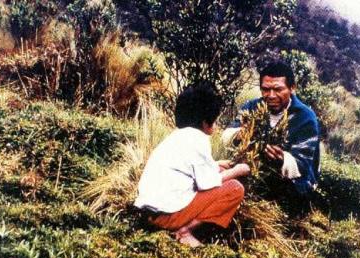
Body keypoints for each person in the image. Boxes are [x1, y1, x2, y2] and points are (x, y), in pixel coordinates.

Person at [134, 83, 250, 247]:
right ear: (205, 122)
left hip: (149, 213)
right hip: (167, 216)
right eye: (215, 120)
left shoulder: (177, 136)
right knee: (235, 188)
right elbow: (206, 184)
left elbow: (189, 169)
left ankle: (178, 229)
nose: (216, 126)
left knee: (221, 179)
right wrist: (237, 171)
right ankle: (184, 231)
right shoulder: (198, 139)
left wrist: (216, 165)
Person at [223, 60, 320, 197]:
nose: (271, 95)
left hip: (293, 184)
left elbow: (303, 165)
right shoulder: (252, 107)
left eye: (278, 89)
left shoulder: (305, 117)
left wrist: (283, 160)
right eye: (266, 89)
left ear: (292, 88)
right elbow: (227, 135)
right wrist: (239, 134)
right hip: (253, 174)